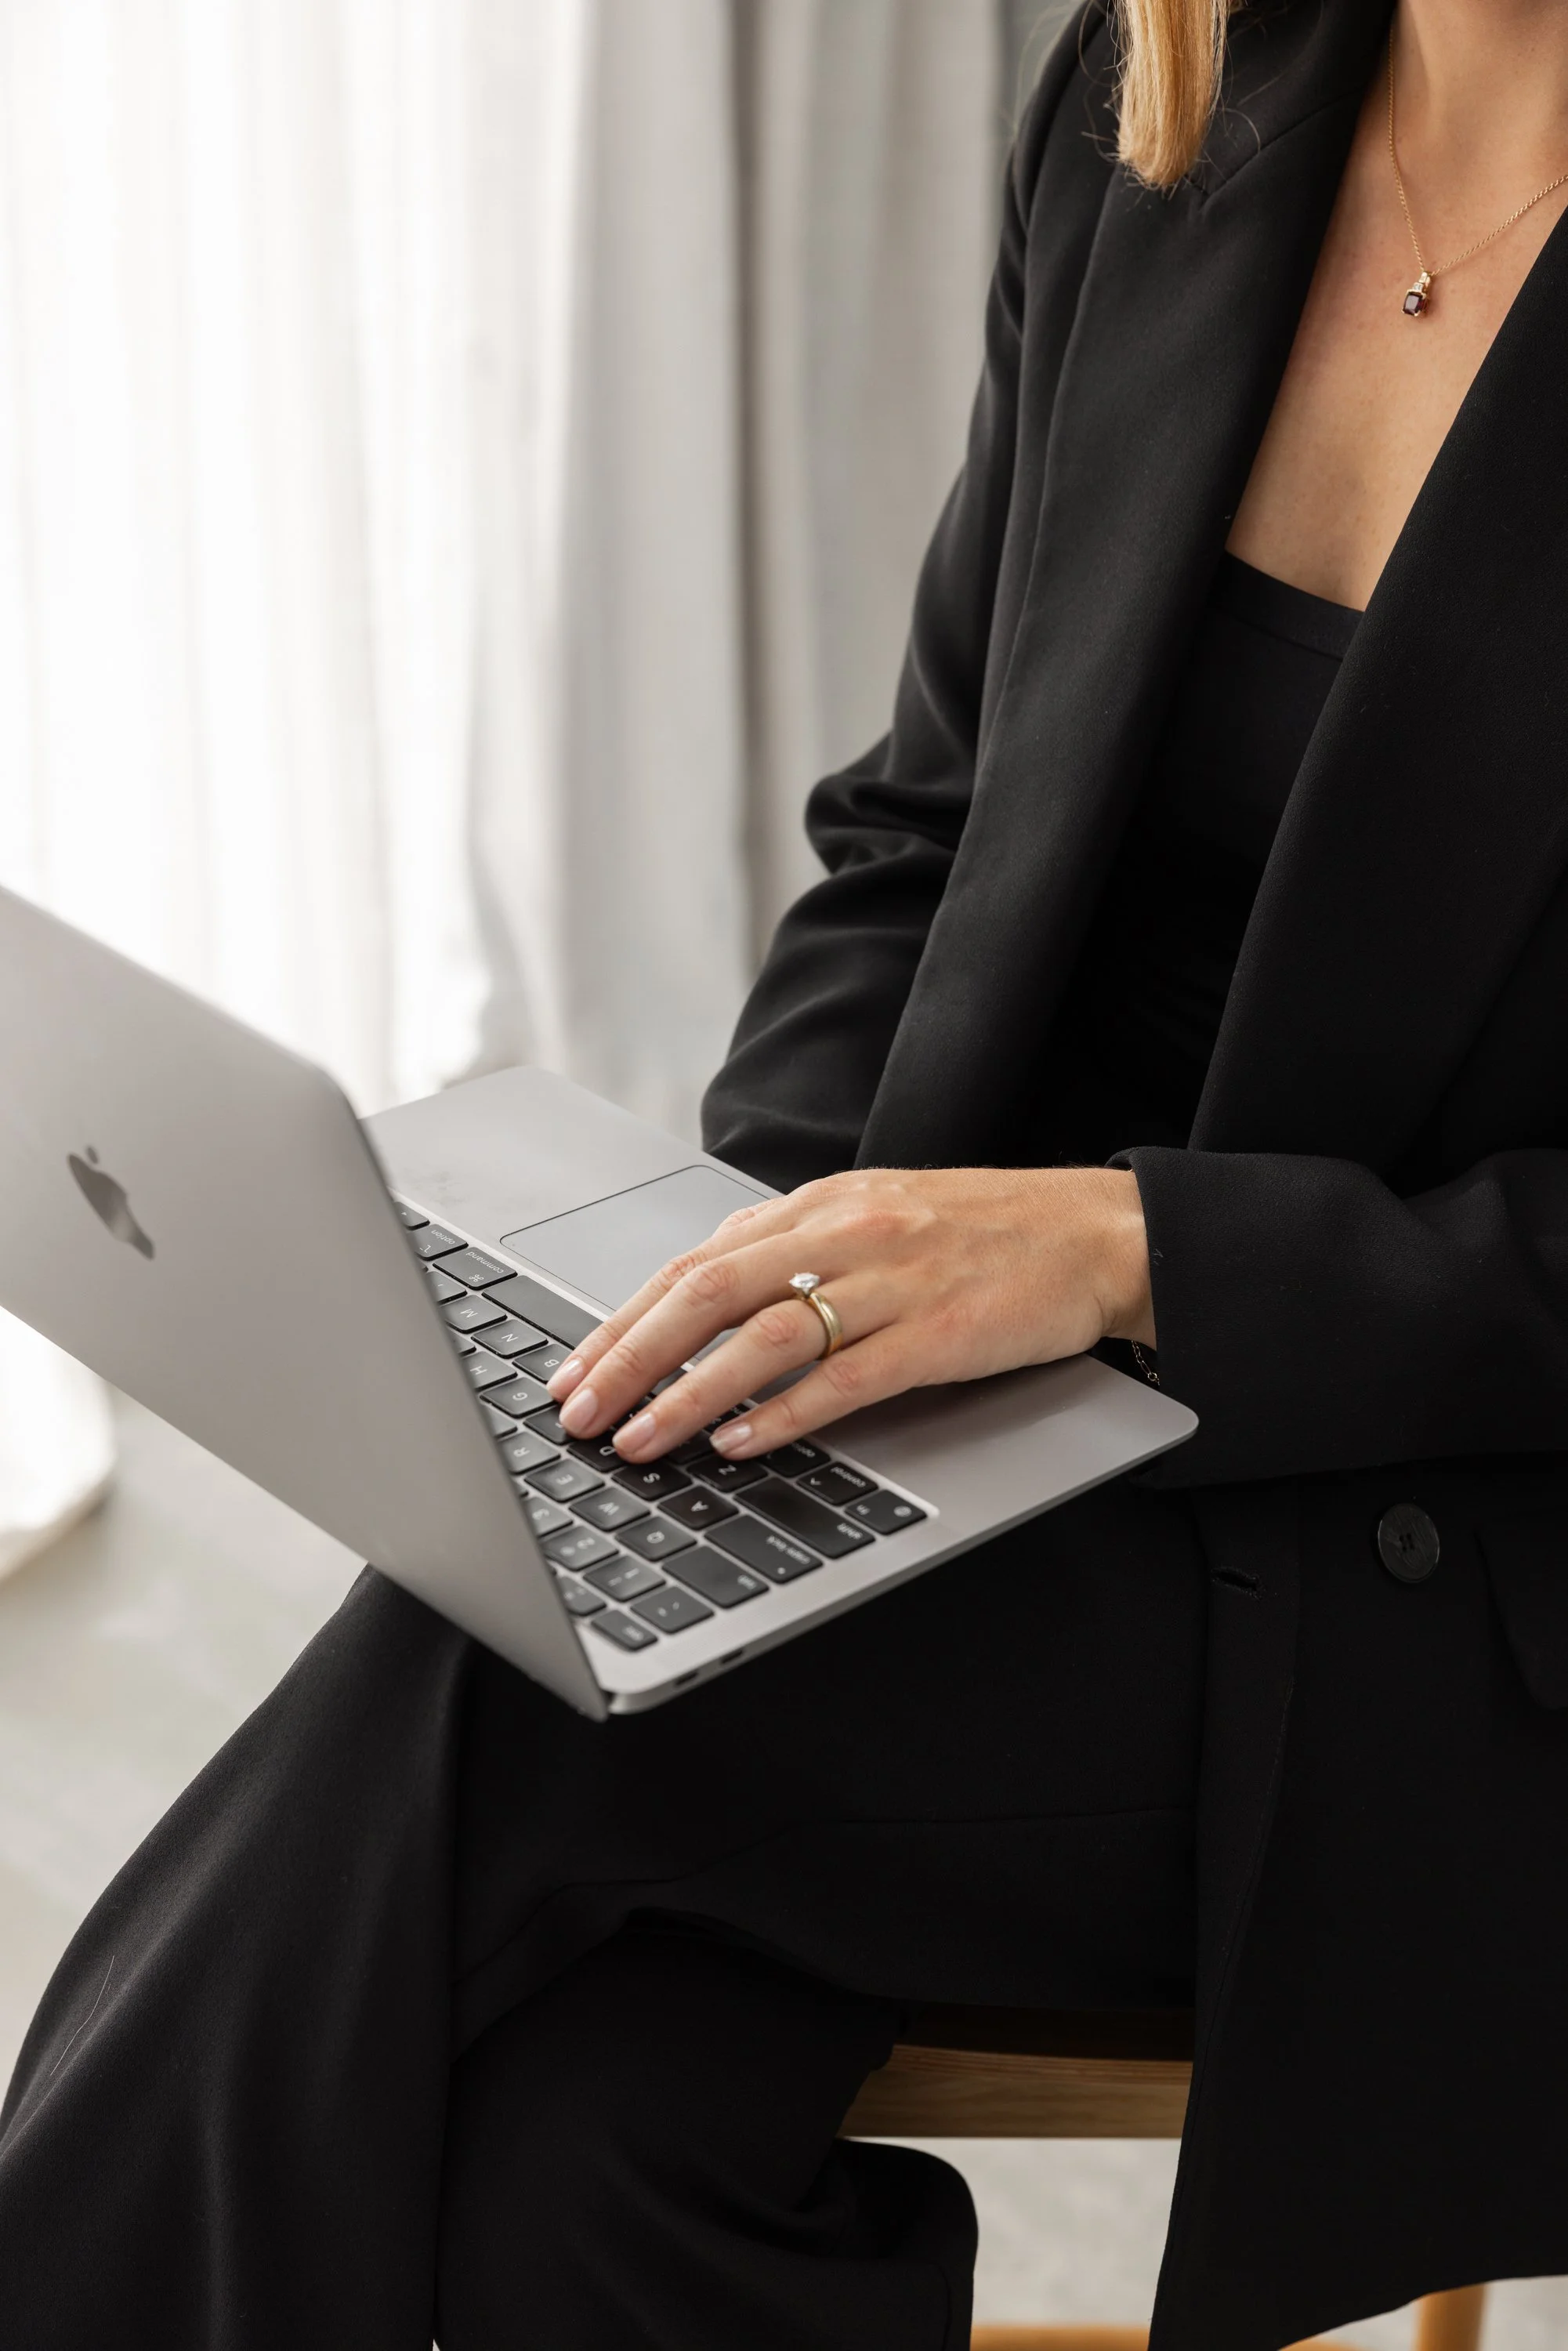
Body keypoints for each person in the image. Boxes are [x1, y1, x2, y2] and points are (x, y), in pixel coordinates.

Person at [6, 1, 1568, 2344]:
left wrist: (1127, 1250)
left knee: (486, 1705)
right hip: (1039, 1446)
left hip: (1457, 1570)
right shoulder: (1180, 92)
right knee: (587, 2144)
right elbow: (932, 830)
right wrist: (732, 1268)